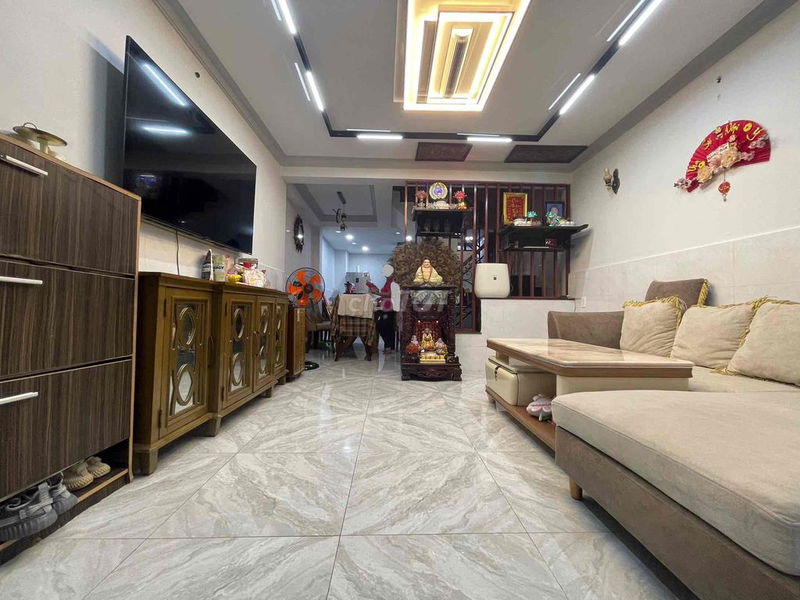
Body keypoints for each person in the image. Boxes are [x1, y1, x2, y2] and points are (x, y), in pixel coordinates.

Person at [372, 263, 400, 353]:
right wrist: (380, 297)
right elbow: (385, 293)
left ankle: (388, 346)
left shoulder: (394, 282)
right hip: (385, 307)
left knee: (382, 325)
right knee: (387, 326)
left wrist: (377, 293)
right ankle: (390, 347)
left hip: (391, 308)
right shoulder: (387, 282)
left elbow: (390, 294)